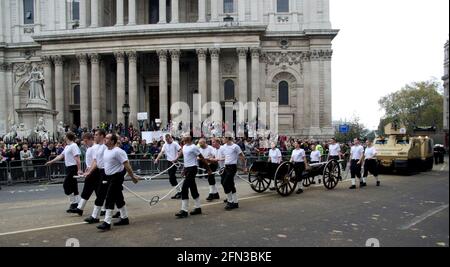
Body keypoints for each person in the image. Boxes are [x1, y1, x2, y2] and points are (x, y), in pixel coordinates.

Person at [97, 133, 139, 231]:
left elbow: (127, 165)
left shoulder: (118, 152)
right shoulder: (106, 150)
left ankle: (107, 222)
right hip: (108, 177)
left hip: (116, 177)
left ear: (112, 141)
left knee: (109, 198)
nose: (105, 139)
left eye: (107, 138)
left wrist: (133, 177)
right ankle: (124, 218)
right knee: (118, 198)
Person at [175, 136, 211, 218]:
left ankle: (184, 210)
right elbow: (186, 160)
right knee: (193, 188)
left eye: (185, 137)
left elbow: (202, 158)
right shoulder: (184, 147)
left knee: (184, 188)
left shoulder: (194, 147)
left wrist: (208, 169)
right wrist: (184, 170)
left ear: (189, 138)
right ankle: (198, 208)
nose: (183, 138)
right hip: (187, 168)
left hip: (193, 168)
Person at [45, 132, 83, 212]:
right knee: (73, 187)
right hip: (68, 168)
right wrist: (51, 161)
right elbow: (61, 156)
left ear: (68, 137)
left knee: (66, 185)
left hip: (73, 167)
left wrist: (79, 169)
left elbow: (77, 158)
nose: (64, 137)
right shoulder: (67, 147)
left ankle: (74, 203)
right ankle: (78, 204)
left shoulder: (74, 146)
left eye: (65, 136)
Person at [68, 133, 99, 216]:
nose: (84, 143)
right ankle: (80, 208)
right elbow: (90, 161)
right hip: (91, 170)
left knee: (92, 191)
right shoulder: (90, 148)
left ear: (88, 139)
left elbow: (95, 161)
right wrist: (87, 168)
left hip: (95, 171)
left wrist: (89, 170)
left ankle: (80, 208)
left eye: (85, 141)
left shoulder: (95, 148)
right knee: (90, 191)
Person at [218, 137, 247, 210]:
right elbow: (224, 157)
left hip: (232, 167)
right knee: (229, 184)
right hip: (226, 166)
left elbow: (242, 156)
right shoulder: (223, 147)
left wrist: (244, 167)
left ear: (228, 139)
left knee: (225, 183)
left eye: (224, 138)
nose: (222, 139)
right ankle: (235, 202)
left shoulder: (235, 146)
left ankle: (230, 202)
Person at [154, 134, 182, 199]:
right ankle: (179, 191)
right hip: (169, 162)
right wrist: (157, 159)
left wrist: (176, 158)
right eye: (166, 140)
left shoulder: (175, 143)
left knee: (172, 176)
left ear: (171, 138)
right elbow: (161, 152)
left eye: (168, 139)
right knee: (171, 178)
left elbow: (181, 150)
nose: (167, 141)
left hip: (174, 162)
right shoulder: (165, 145)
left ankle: (180, 192)